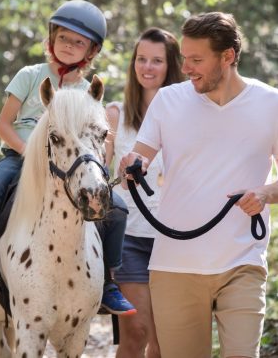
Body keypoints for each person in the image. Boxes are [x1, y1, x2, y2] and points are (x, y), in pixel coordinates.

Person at [0, 0, 136, 317]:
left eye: (78, 42)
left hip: (67, 166)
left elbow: (92, 138)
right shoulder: (30, 75)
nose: (69, 46)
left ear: (91, 51)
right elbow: (3, 125)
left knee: (118, 207)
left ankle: (108, 285)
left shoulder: (88, 91)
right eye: (63, 38)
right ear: (51, 39)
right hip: (20, 158)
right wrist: (29, 152)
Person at [120, 12, 278, 358]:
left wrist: (265, 193)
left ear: (228, 56)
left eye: (196, 60)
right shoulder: (169, 100)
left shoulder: (271, 103)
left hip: (242, 263)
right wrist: (134, 163)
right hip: (175, 266)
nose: (186, 68)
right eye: (184, 59)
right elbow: (140, 154)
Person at [105, 27, 184, 357]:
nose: (147, 67)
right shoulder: (115, 114)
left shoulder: (186, 115)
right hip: (129, 237)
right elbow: (97, 170)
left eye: (156, 61)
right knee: (137, 331)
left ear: (171, 66)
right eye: (141, 59)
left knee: (166, 340)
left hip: (175, 238)